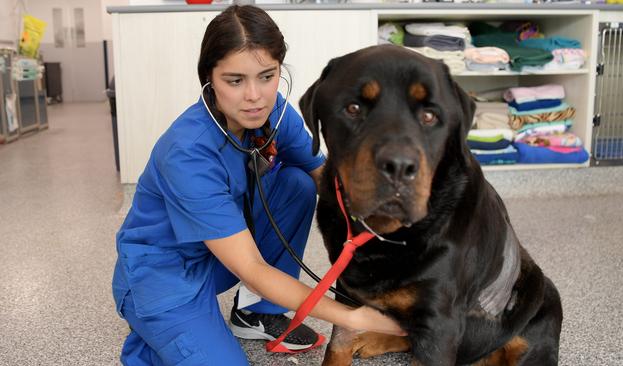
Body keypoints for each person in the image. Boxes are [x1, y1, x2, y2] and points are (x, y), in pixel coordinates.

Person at [111, 5, 404, 365]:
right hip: (165, 277)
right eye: (235, 81)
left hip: (218, 255)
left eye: (267, 76)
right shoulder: (187, 152)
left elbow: (324, 179)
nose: (255, 96)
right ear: (209, 78)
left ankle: (257, 312)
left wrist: (385, 229)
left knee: (296, 183)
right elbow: (251, 267)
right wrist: (353, 317)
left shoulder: (273, 112)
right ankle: (152, 334)